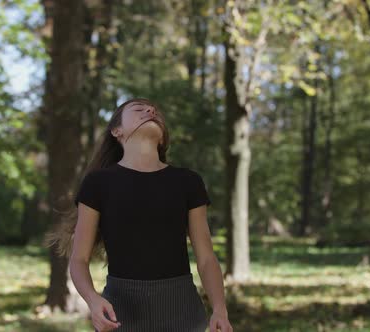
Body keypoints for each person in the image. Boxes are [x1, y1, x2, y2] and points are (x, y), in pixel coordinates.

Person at [44, 98, 232, 332]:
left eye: (155, 110)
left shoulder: (188, 182)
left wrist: (219, 309)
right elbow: (79, 259)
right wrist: (93, 300)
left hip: (183, 310)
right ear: (117, 131)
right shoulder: (98, 184)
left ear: (162, 137)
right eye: (139, 109)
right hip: (119, 312)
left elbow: (206, 258)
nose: (151, 110)